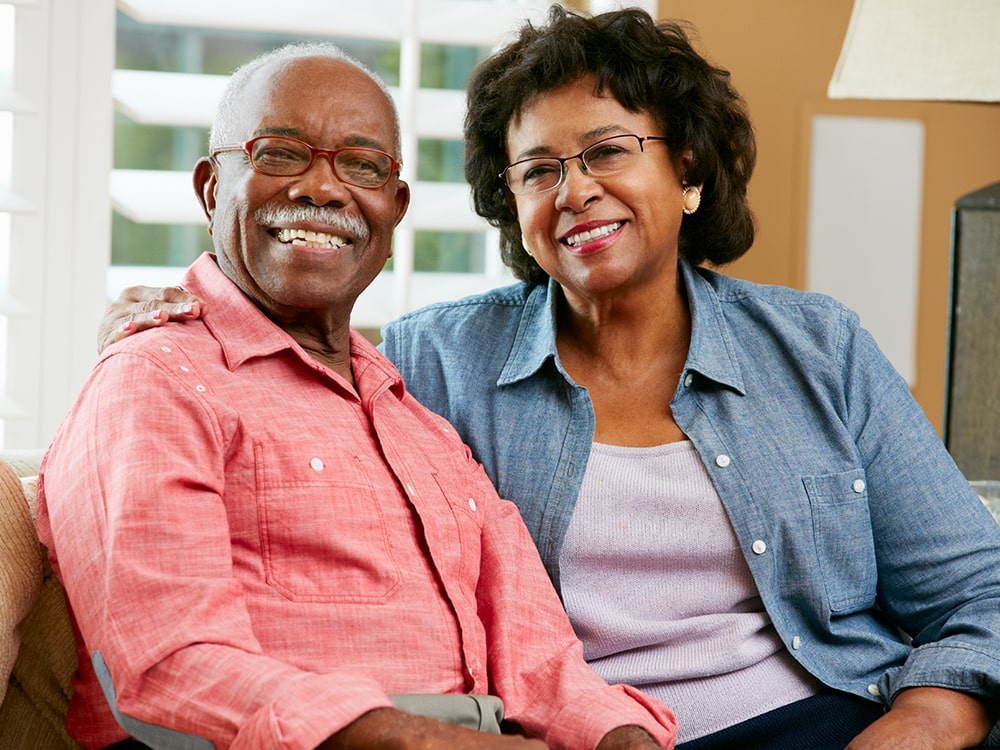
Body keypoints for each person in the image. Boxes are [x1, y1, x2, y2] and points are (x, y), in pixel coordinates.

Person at [97, 7, 1000, 750]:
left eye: (608, 151)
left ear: (684, 166)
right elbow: (292, 325)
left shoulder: (818, 348)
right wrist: (169, 309)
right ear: (512, 204)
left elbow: (979, 591)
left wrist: (923, 720)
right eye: (538, 170)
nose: (574, 192)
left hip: (832, 722)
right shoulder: (433, 361)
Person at [37, 41, 679, 750]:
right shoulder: (156, 380)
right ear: (212, 188)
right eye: (281, 153)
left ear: (394, 207)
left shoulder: (420, 419)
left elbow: (543, 663)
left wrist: (623, 737)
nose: (322, 188)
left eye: (362, 165)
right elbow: (169, 665)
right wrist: (420, 741)